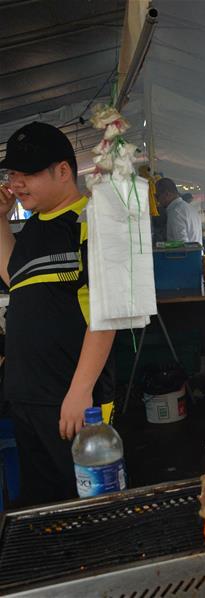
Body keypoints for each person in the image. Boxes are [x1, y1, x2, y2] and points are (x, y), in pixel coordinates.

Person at [0, 122, 116, 506]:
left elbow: (106, 313)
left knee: (89, 499)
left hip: (71, 399)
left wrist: (80, 391)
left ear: (63, 171)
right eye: (12, 174)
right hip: (27, 397)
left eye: (28, 173)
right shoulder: (32, 227)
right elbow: (14, 275)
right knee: (43, 504)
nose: (16, 183)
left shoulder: (90, 222)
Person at [156, 177, 202, 244]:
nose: (157, 201)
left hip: (187, 254)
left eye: (157, 196)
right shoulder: (190, 208)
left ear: (167, 194)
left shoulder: (175, 212)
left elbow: (182, 245)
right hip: (196, 253)